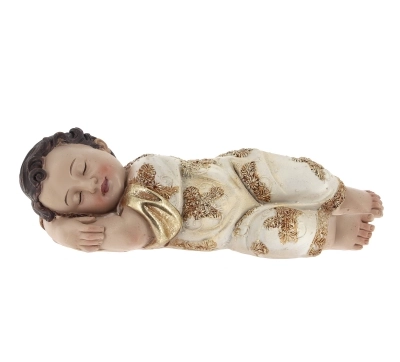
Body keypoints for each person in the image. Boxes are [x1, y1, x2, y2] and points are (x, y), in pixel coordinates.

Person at [20, 128, 383, 258]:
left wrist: (56, 223)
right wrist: (56, 229)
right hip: (237, 227)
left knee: (296, 176)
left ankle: (339, 195)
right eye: (78, 199)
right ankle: (333, 231)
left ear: (99, 145)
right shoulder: (130, 221)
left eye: (83, 168)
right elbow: (129, 236)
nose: (88, 184)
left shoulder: (143, 165)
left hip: (239, 173)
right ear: (86, 217)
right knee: (282, 234)